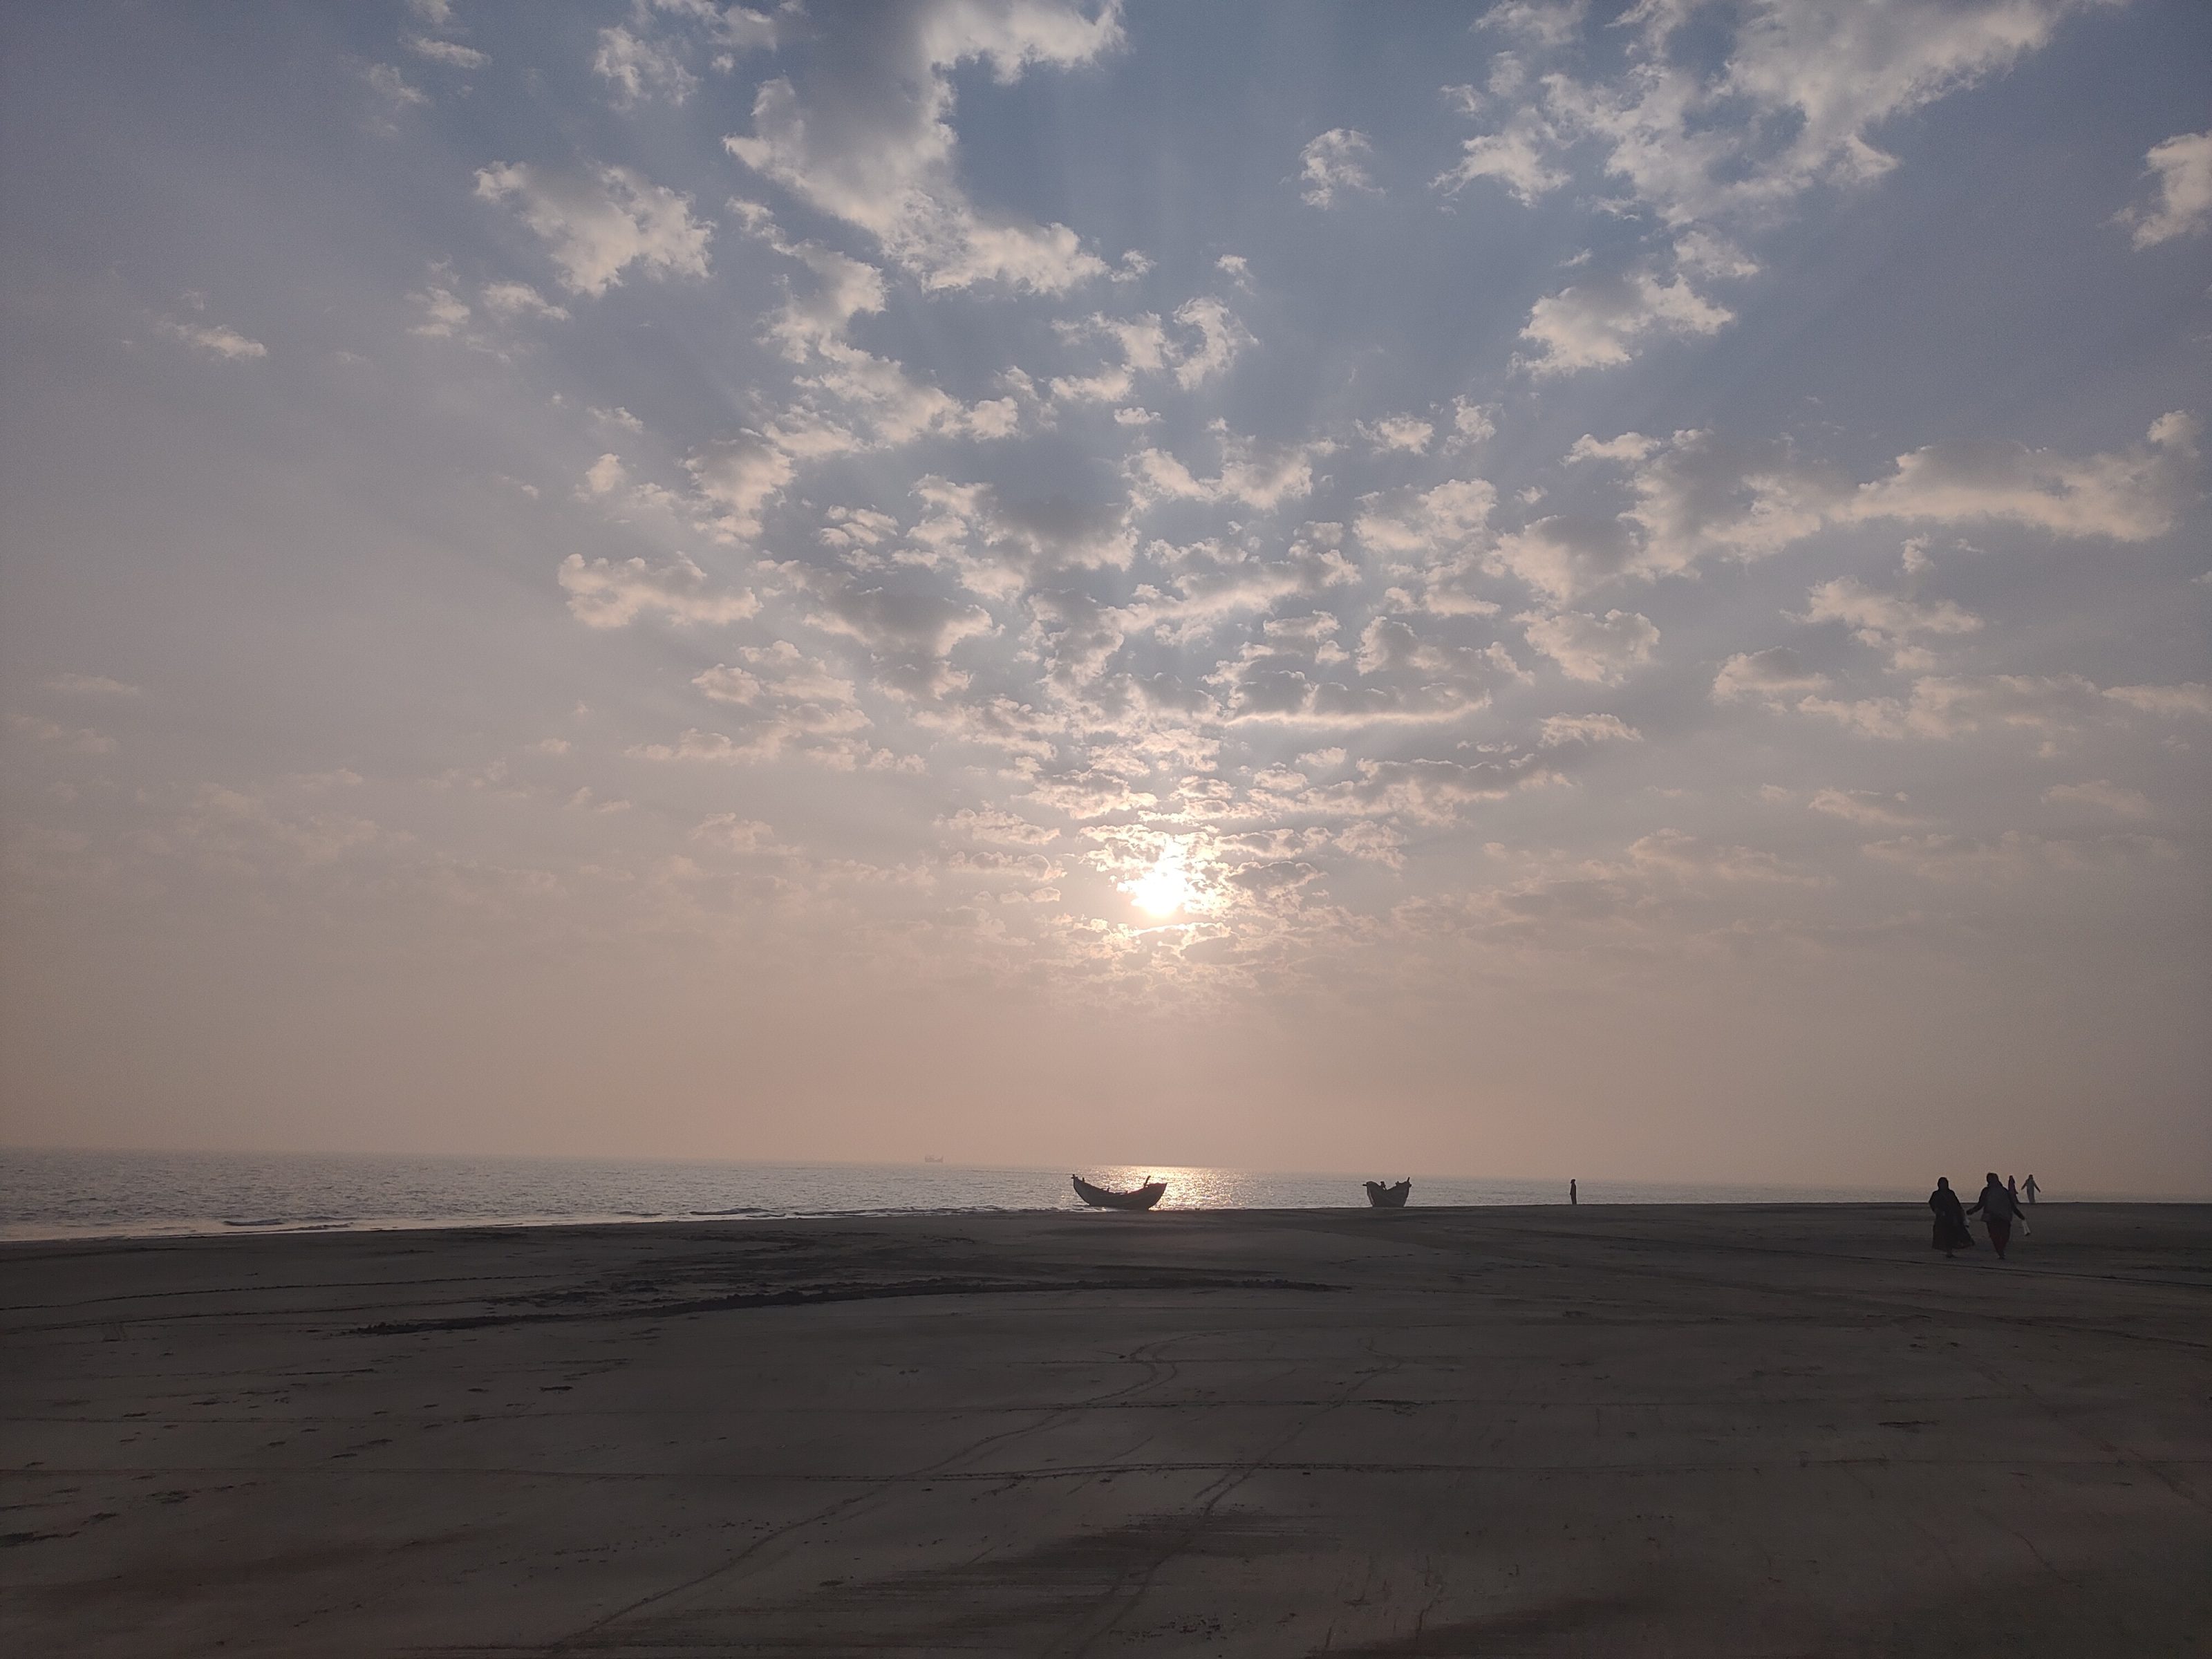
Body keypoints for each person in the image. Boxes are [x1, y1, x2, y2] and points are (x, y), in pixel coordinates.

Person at [1967, 1172, 2023, 1260]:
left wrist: (2020, 1215)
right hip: (1991, 1217)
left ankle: (2001, 1250)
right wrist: (1973, 1211)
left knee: (2005, 1236)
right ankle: (2000, 1252)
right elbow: (1981, 1203)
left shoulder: (2004, 1191)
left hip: (2005, 1217)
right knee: (1995, 1236)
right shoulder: (1986, 1191)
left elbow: (2011, 1205)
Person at [1928, 1177, 1973, 1257]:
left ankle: (1951, 1250)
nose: (1944, 1185)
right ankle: (1949, 1252)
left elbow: (1956, 1204)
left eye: (1945, 1183)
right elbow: (1933, 1204)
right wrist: (1938, 1211)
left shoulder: (1951, 1193)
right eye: (1942, 1184)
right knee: (1945, 1235)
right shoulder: (1936, 1194)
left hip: (1953, 1217)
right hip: (1943, 1218)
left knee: (1954, 1234)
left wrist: (1960, 1213)